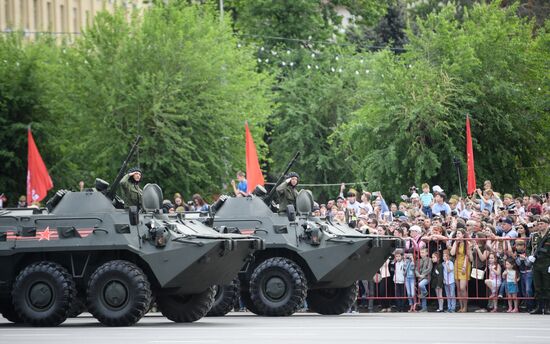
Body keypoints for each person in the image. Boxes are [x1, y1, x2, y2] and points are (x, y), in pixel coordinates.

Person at [529, 217, 550, 314]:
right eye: (539, 223)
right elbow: (529, 248)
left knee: (547, 286)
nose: (540, 225)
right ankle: (539, 307)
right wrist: (529, 256)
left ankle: (547, 307)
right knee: (537, 286)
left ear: (547, 224)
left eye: (542, 223)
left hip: (547, 263)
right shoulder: (534, 236)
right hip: (536, 263)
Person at [451, 229, 471, 312]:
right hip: (457, 264)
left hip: (464, 265)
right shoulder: (457, 243)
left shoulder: (467, 243)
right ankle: (461, 307)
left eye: (458, 233)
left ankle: (465, 307)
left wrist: (464, 266)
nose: (457, 235)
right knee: (458, 288)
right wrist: (455, 243)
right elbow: (452, 253)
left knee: (463, 287)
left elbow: (467, 256)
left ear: (463, 235)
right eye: (456, 234)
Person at [416, 247, 433, 312]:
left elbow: (429, 269)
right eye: (421, 253)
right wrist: (418, 275)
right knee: (422, 293)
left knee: (421, 285)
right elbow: (416, 269)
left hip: (426, 277)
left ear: (426, 253)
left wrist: (422, 275)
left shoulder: (429, 260)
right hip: (420, 277)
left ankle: (425, 292)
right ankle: (424, 307)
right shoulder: (418, 260)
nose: (421, 254)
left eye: (423, 252)